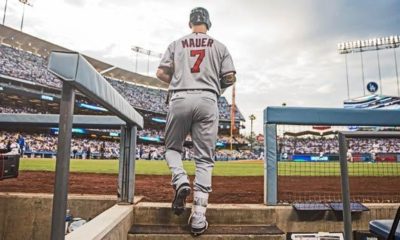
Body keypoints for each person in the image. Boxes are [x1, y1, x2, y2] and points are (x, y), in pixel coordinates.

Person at [156, 7, 236, 236]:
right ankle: (199, 216)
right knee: (204, 159)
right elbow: (230, 76)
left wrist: (179, 80)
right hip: (207, 99)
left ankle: (180, 179)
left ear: (190, 23)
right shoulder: (220, 46)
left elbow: (160, 73)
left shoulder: (176, 44)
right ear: (208, 23)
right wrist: (215, 89)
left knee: (171, 148)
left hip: (179, 97)